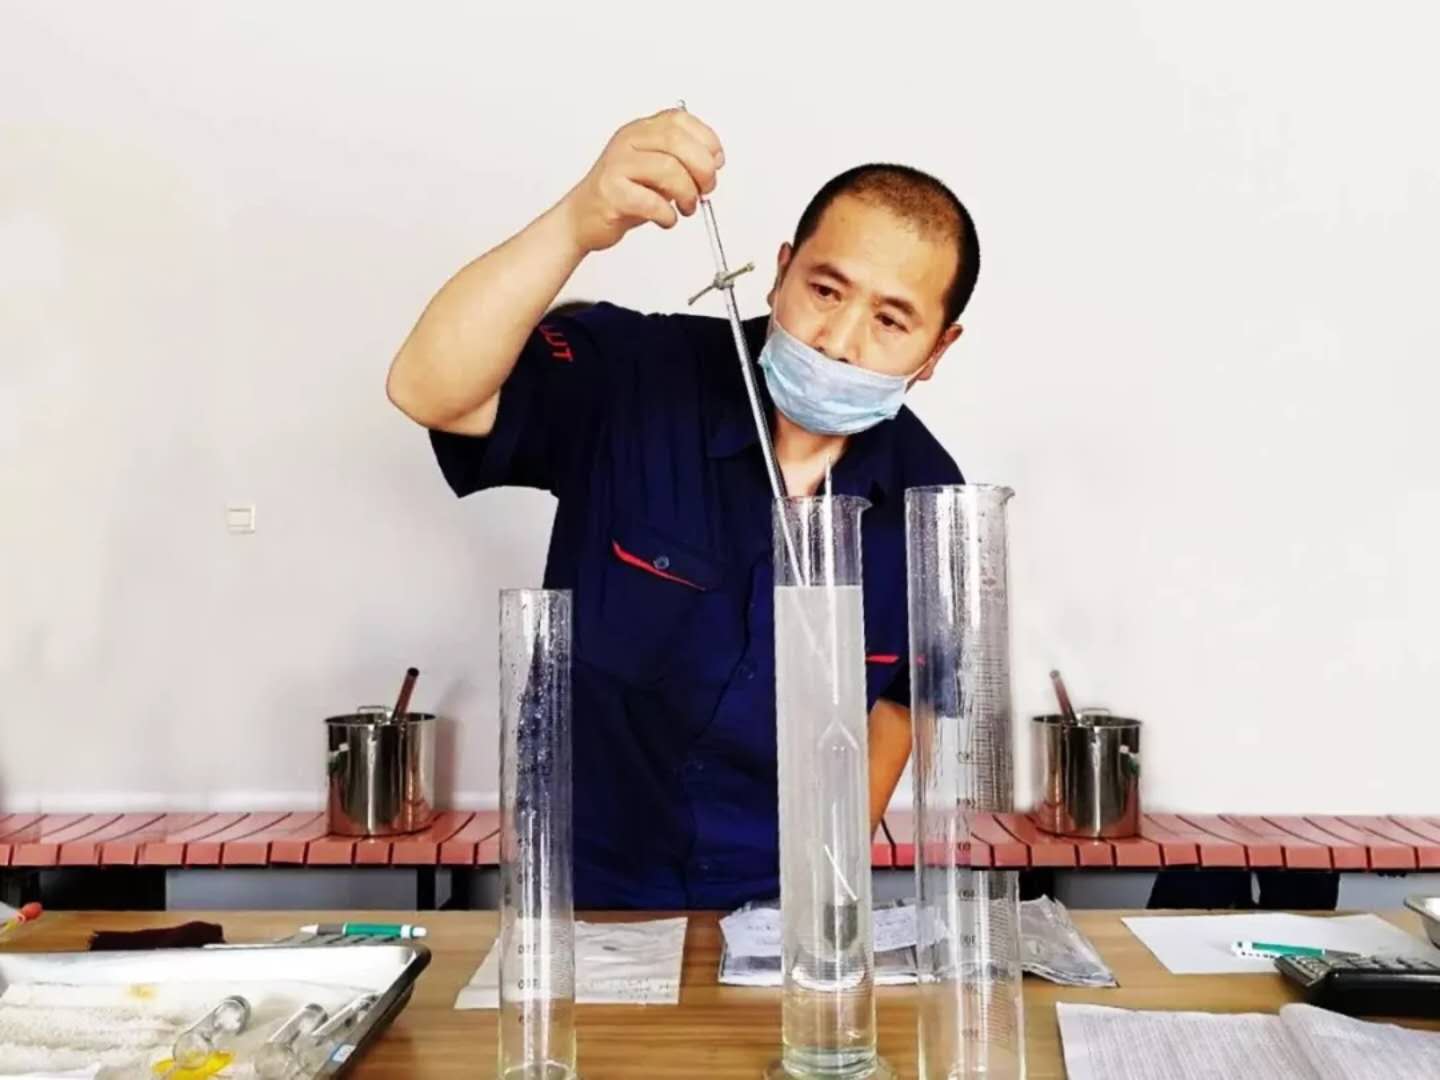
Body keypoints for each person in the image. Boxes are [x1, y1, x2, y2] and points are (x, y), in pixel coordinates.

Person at [387, 107, 981, 909]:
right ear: (780, 272)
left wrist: (827, 882)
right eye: (824, 290)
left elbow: (901, 706)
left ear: (937, 349)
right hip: (584, 896)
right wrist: (577, 222)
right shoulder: (637, 376)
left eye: (890, 320)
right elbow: (428, 388)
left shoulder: (932, 500)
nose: (839, 341)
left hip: (781, 910)